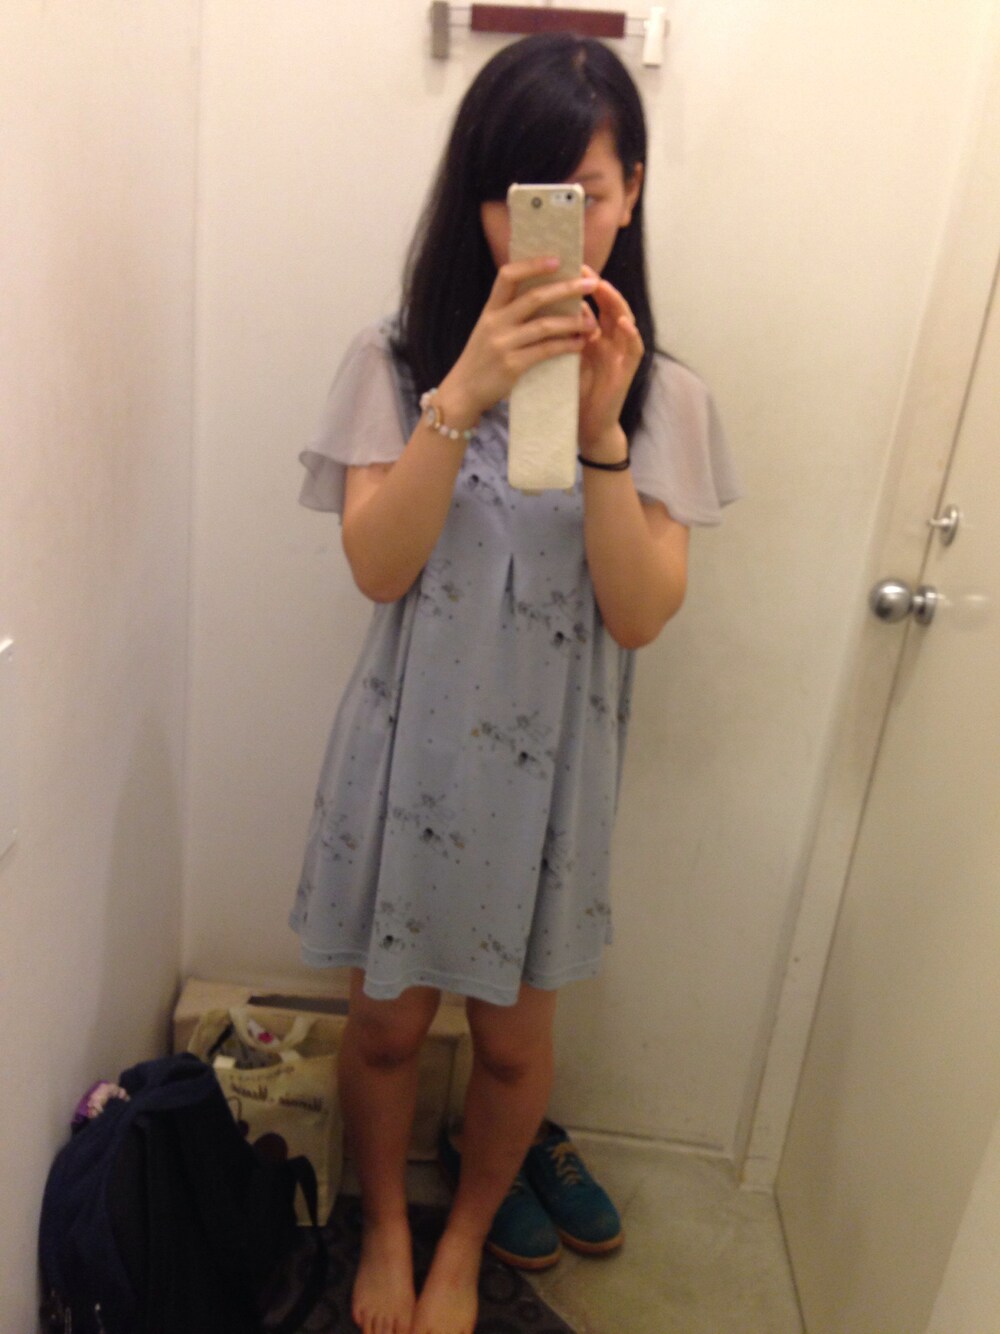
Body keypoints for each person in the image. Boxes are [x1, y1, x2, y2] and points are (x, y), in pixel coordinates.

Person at [289, 32, 741, 1334]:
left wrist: (599, 432)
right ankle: (388, 1221)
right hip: (409, 758)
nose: (554, 226)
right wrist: (465, 392)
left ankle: (467, 1238)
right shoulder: (392, 364)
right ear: (475, 201)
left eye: (585, 193)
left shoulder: (665, 402)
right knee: (385, 1029)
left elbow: (638, 615)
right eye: (519, 196)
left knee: (509, 1044)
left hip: (553, 774)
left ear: (631, 193)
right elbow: (379, 568)